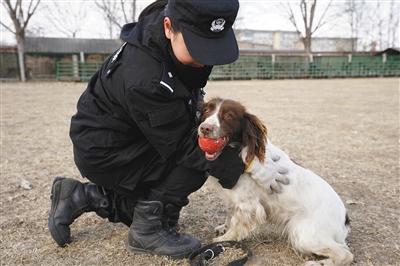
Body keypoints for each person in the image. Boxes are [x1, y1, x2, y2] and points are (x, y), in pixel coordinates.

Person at [48, 0, 285, 259]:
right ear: (169, 26)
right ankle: (146, 232)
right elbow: (182, 144)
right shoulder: (145, 77)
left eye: (212, 47)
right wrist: (248, 164)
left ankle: (83, 196)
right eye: (198, 46)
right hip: (108, 152)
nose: (204, 59)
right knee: (198, 162)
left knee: (165, 189)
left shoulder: (170, 30)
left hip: (133, 135)